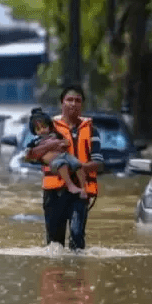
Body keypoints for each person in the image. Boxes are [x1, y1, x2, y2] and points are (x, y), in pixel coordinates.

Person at [25, 85, 104, 250]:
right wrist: (51, 148)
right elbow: (30, 156)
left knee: (77, 236)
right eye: (69, 100)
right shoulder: (47, 127)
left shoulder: (92, 131)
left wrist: (78, 166)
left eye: (77, 100)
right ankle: (56, 274)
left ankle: (78, 273)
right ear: (62, 102)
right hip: (54, 193)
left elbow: (98, 162)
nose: (73, 104)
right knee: (54, 244)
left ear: (82, 104)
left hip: (80, 193)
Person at [26, 108, 89, 199]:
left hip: (65, 155)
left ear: (49, 126)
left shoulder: (56, 134)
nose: (42, 130)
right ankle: (70, 185)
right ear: (34, 131)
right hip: (55, 162)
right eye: (38, 129)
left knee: (77, 164)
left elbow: (65, 142)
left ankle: (83, 189)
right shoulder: (35, 141)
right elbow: (29, 153)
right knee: (61, 164)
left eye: (44, 127)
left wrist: (62, 143)